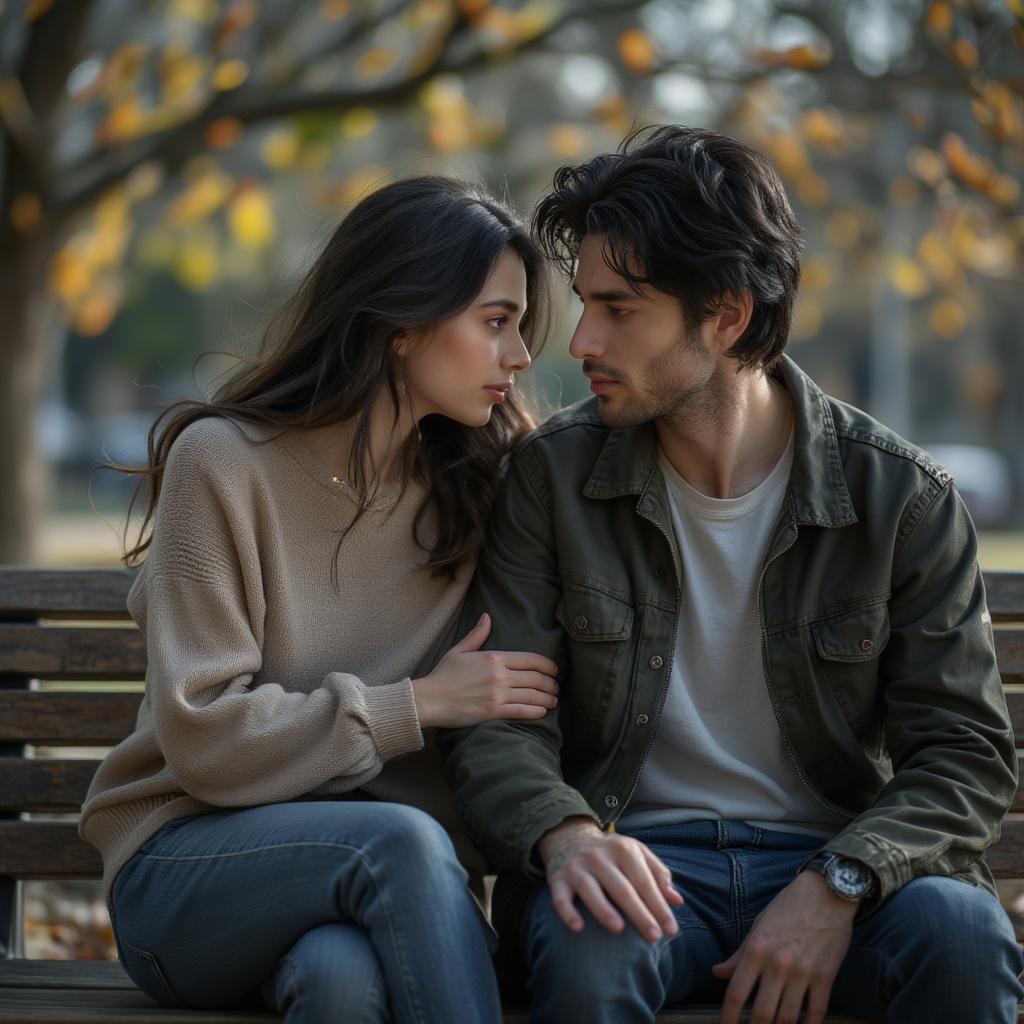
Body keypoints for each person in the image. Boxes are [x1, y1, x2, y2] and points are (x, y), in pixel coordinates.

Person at [441, 127, 1024, 1024]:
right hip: (638, 863)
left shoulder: (902, 497)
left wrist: (840, 882)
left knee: (963, 936)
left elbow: (964, 752)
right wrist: (565, 837)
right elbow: (500, 723)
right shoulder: (550, 479)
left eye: (621, 309)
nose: (584, 339)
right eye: (584, 304)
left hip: (844, 862)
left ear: (727, 315)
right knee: (595, 941)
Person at [79, 175, 561, 1024]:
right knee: (401, 844)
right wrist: (413, 706)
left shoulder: (480, 486)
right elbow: (206, 738)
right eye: (496, 322)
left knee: (340, 983)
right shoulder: (224, 464)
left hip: (375, 890)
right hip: (188, 867)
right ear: (401, 323)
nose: (520, 356)